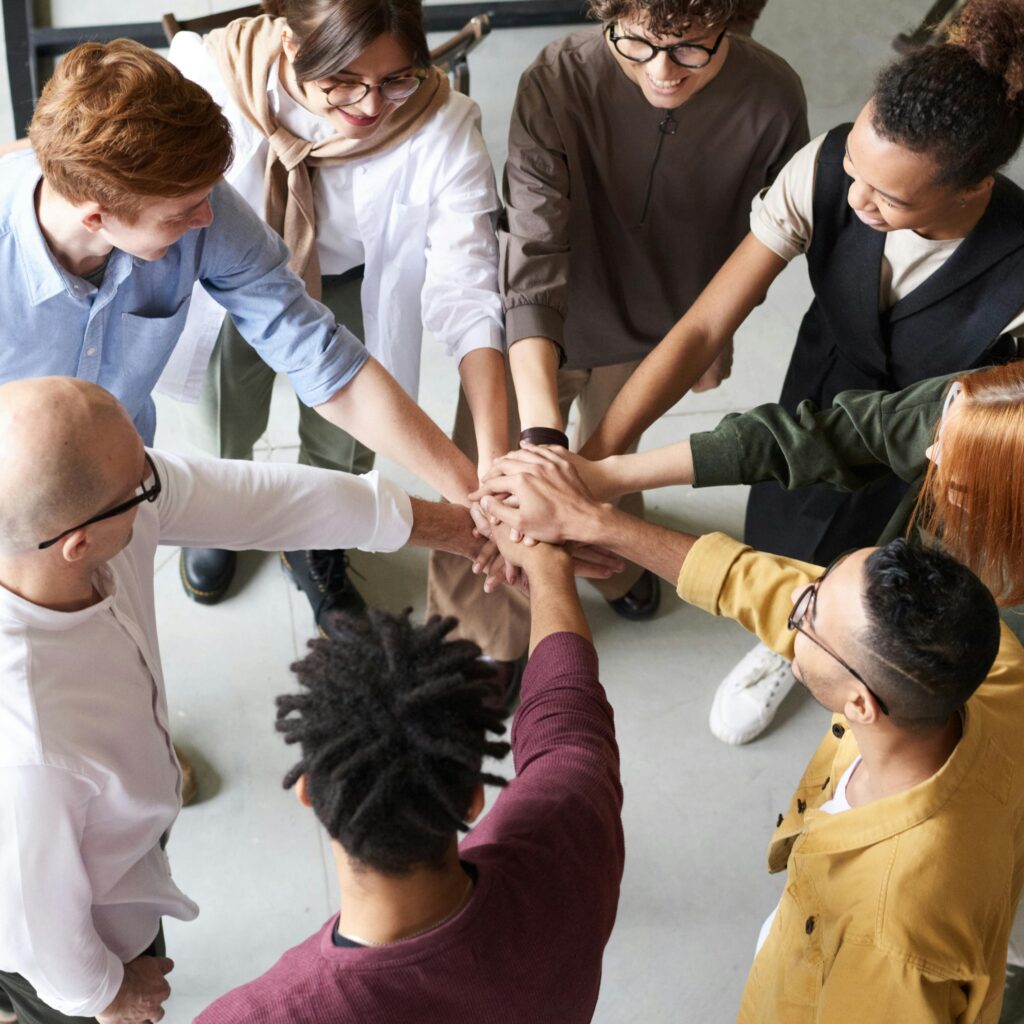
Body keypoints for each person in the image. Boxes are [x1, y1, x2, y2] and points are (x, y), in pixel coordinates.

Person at [579, 0, 1024, 745]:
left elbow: (944, 437)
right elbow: (702, 326)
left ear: (972, 189)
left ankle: (850, 670)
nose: (855, 200)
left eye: (889, 197)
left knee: (888, 587)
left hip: (939, 455)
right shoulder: (825, 167)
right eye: (855, 168)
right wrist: (597, 459)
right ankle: (786, 639)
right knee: (790, 524)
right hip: (821, 390)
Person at [0, 374, 496, 1024]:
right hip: (57, 934)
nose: (159, 485)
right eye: (140, 487)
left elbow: (262, 500)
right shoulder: (32, 748)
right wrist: (108, 995)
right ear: (78, 544)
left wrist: (455, 529)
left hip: (111, 836)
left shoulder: (83, 527)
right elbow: (30, 929)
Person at [474, 447, 1024, 1021]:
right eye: (821, 578)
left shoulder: (890, 942)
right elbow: (758, 582)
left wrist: (547, 570)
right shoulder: (989, 667)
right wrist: (595, 523)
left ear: (861, 703)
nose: (793, 599)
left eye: (809, 612)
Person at [0, 38, 485, 638]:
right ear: (96, 216)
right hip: (13, 514)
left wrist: (472, 495)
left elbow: (319, 355)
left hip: (122, 487)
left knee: (126, 641)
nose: (206, 221)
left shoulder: (193, 200)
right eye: (180, 216)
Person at [424, 0, 808, 673]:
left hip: (662, 330)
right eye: (635, 44)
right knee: (498, 479)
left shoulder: (773, 98)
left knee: (615, 457)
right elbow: (533, 251)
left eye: (691, 48)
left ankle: (613, 566)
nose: (662, 70)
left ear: (736, 22)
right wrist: (544, 443)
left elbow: (759, 247)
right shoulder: (558, 78)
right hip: (541, 327)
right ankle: (479, 638)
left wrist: (580, 486)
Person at [168, 0, 507, 617]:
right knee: (223, 416)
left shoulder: (442, 123)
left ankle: (318, 542)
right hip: (228, 284)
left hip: (350, 281)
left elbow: (469, 287)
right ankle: (216, 519)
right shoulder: (210, 76)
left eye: (396, 79)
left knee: (345, 440)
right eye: (343, 82)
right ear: (292, 47)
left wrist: (490, 462)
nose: (373, 107)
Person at [195, 532, 623, 1021]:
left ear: (308, 790)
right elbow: (569, 722)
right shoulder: (572, 828)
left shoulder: (260, 1014)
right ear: (472, 799)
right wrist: (548, 568)